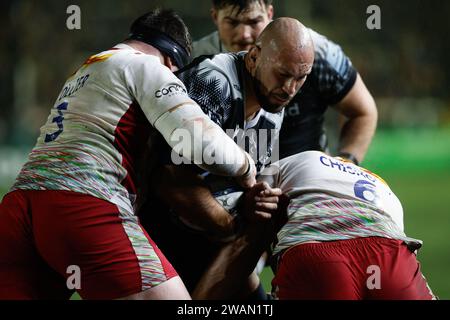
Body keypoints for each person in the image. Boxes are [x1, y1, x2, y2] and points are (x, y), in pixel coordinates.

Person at [0, 9, 262, 300]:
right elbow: (198, 142)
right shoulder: (149, 67)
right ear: (173, 60)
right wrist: (247, 167)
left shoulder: (87, 69)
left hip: (19, 207)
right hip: (82, 201)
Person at [139, 17, 315, 298]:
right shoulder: (213, 82)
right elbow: (170, 179)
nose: (290, 89)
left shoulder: (273, 101)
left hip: (206, 234)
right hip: (158, 227)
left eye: (301, 77)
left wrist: (254, 199)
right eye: (284, 74)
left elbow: (238, 184)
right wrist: (232, 226)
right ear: (255, 57)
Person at [194, 151, 436, 300]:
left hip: (317, 257)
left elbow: (252, 230)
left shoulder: (291, 162)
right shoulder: (382, 184)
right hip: (389, 256)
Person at [193, 0, 378, 164]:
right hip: (233, 183)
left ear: (270, 14)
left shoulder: (314, 52)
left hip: (307, 175)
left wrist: (346, 164)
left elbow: (363, 112)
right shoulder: (195, 63)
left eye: (254, 21)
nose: (244, 35)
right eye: (232, 22)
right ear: (215, 17)